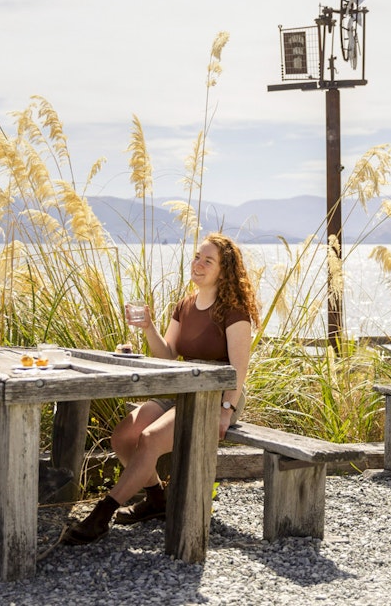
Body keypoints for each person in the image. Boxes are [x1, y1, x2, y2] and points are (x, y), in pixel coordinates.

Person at [61, 232, 257, 545]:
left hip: (215, 398)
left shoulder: (234, 312)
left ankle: (103, 514)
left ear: (224, 270)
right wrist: (148, 327)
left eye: (209, 260)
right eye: (197, 257)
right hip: (181, 390)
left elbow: (239, 369)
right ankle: (156, 500)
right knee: (124, 435)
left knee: (150, 439)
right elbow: (167, 355)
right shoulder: (185, 306)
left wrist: (226, 410)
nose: (199, 264)